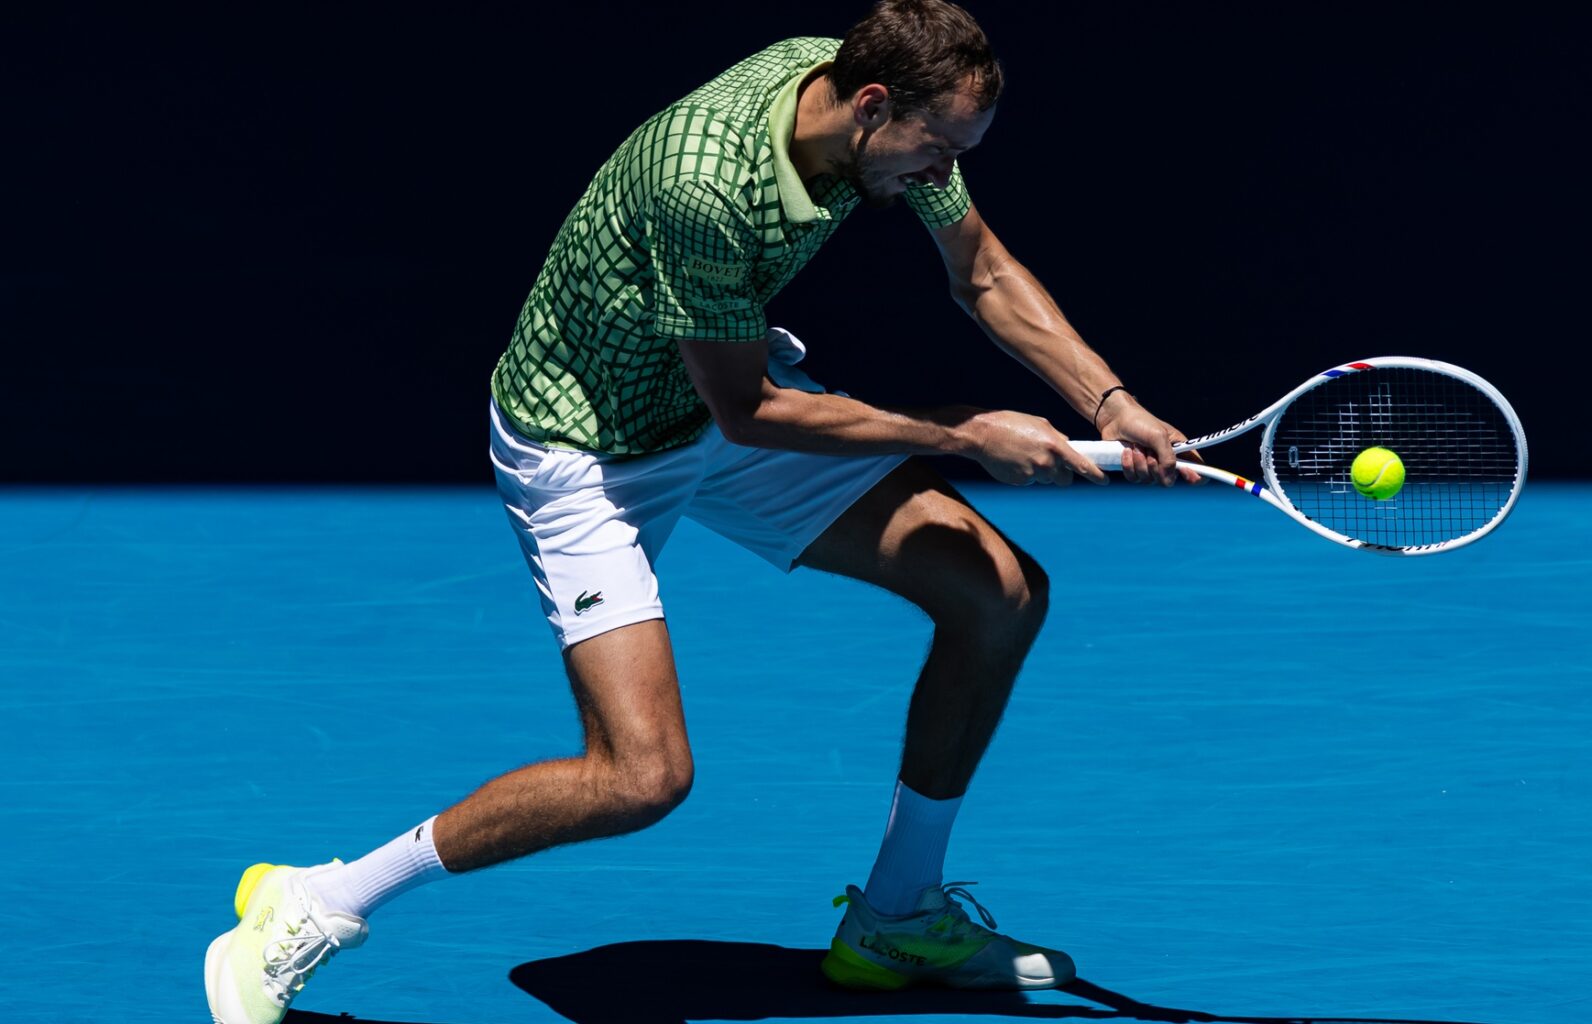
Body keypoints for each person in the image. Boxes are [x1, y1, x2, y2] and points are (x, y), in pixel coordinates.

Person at [204, 3, 1194, 1021]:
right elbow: (752, 412)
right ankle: (315, 899)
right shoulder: (703, 186)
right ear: (869, 105)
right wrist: (963, 432)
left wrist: (1109, 402)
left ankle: (898, 914)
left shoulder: (878, 97)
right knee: (641, 775)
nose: (943, 174)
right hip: (589, 446)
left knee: (998, 591)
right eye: (935, 150)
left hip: (707, 399)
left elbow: (979, 269)